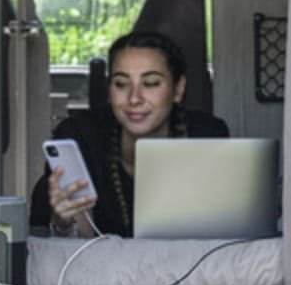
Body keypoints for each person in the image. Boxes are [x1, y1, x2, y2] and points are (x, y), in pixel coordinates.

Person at [30, 30, 229, 238]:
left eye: (150, 83)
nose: (134, 98)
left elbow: (219, 235)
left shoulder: (207, 135)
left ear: (178, 89)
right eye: (121, 84)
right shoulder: (80, 136)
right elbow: (81, 242)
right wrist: (63, 222)